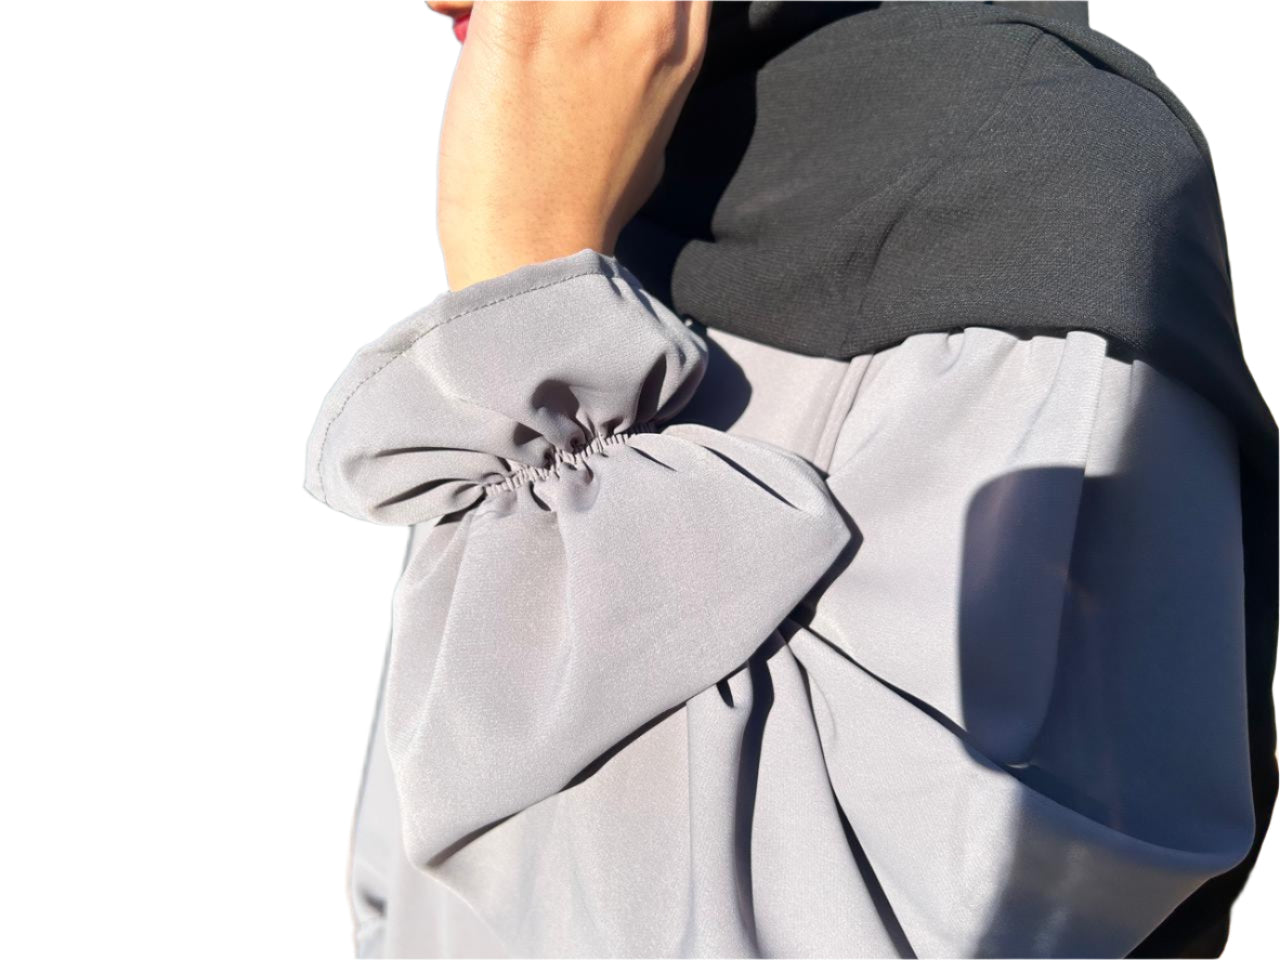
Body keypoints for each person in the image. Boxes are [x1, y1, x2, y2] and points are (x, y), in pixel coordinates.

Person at [304, 2, 1277, 956]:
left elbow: (895, 926)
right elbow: (410, 887)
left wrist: (523, 278)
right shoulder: (615, 166)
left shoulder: (1033, 178)